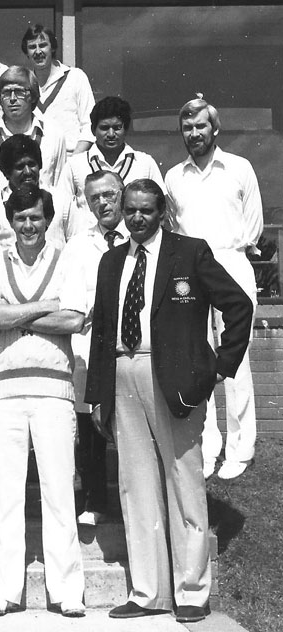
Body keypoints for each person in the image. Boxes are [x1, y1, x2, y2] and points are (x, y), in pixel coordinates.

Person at [86, 178, 253, 623]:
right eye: (131, 210)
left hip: (174, 378)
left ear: (162, 213)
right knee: (135, 487)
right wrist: (98, 395)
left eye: (146, 210)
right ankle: (148, 592)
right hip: (123, 371)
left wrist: (218, 368)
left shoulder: (189, 252)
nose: (137, 217)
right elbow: (102, 331)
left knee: (184, 484)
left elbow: (238, 306)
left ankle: (192, 591)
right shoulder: (111, 261)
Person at [0, 184, 86, 617]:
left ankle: (67, 592)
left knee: (59, 491)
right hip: (5, 390)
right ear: (10, 220)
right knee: (6, 492)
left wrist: (14, 311)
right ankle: (2, 591)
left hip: (54, 388)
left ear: (49, 219)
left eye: (35, 218)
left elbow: (75, 318)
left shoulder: (68, 260)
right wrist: (46, 309)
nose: (28, 226)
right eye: (20, 218)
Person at [165, 97, 262, 481]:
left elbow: (253, 223)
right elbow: (174, 228)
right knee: (197, 357)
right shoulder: (173, 177)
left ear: (214, 128)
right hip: (192, 273)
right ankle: (206, 447)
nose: (194, 133)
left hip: (232, 264)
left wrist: (228, 254)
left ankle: (242, 448)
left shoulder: (239, 168)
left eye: (201, 126)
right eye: (187, 128)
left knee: (236, 359)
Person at [60, 170, 128, 526]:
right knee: (90, 430)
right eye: (94, 198)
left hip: (132, 347)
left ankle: (136, 504)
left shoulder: (140, 236)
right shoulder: (78, 246)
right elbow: (72, 301)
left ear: (122, 193)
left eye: (108, 195)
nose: (102, 202)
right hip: (90, 347)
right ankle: (94, 500)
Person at [0, 66, 66, 209]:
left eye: (19, 92)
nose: (12, 99)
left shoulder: (54, 135)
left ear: (33, 96)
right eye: (6, 93)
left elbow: (60, 190)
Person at [0, 134, 83, 255]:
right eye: (20, 167)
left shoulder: (61, 201)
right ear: (7, 172)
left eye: (32, 164)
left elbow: (77, 246)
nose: (27, 172)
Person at [64, 96, 165, 213]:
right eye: (104, 128)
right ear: (93, 130)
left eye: (117, 128)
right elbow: (63, 210)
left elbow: (160, 206)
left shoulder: (145, 163)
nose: (111, 134)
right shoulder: (75, 165)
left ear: (126, 129)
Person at [22, 24, 94, 154]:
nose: (38, 52)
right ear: (27, 53)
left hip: (71, 157)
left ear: (53, 48)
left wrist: (75, 162)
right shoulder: (24, 83)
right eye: (32, 47)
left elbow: (90, 125)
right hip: (34, 162)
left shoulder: (75, 77)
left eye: (43, 45)